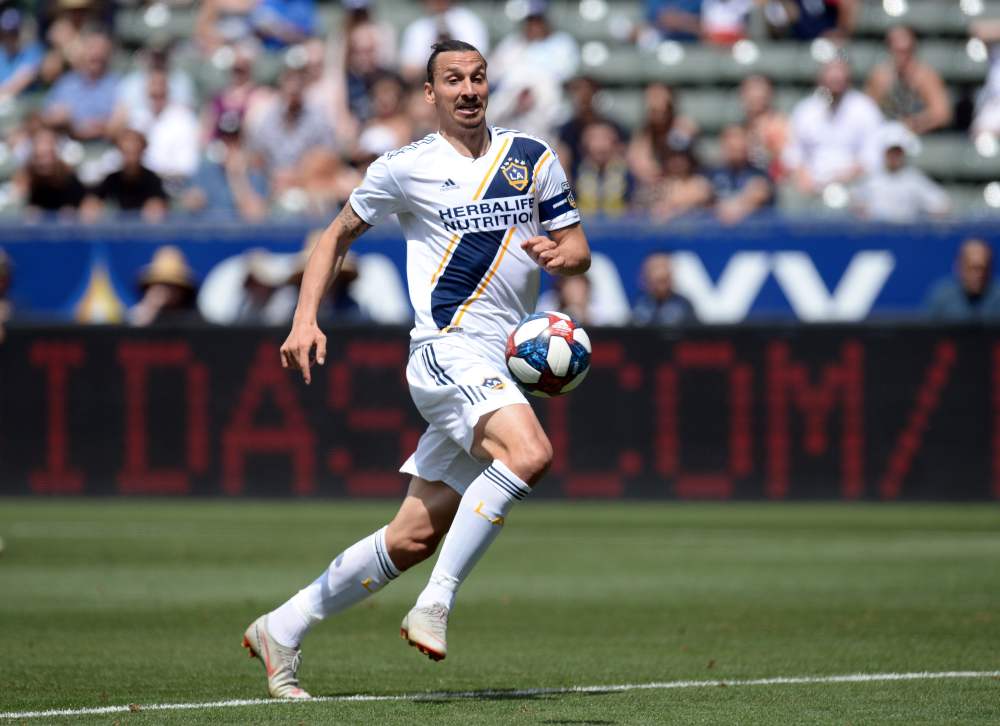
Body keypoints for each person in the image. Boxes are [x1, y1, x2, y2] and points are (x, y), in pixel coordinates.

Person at [242, 39, 589, 699]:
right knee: (530, 451)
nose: (468, 89)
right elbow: (336, 235)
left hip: (501, 366)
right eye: (452, 80)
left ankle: (281, 628)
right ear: (429, 94)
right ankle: (436, 603)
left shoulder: (532, 159)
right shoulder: (404, 168)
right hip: (445, 351)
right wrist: (304, 317)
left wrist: (562, 257)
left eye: (478, 77)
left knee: (414, 535)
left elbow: (578, 249)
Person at [783, 58, 883, 197]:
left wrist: (838, 180)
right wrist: (804, 177)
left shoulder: (866, 109)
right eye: (831, 71)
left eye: (840, 70)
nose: (836, 76)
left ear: (849, 75)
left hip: (855, 188)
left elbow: (872, 158)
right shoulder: (805, 110)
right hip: (811, 189)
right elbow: (793, 154)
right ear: (820, 76)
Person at [850, 122, 949, 224]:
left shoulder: (914, 180)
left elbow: (941, 204)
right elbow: (855, 204)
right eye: (891, 152)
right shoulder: (871, 178)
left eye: (898, 152)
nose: (894, 157)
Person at [865, 26, 952, 136]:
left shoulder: (926, 76)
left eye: (906, 51)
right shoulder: (880, 77)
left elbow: (942, 114)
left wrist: (913, 123)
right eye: (897, 50)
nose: (902, 57)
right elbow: (867, 111)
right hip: (887, 137)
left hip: (921, 137)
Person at [42, 29, 119, 141]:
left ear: (108, 54)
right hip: (69, 144)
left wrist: (106, 126)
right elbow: (48, 116)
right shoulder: (66, 83)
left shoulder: (118, 84)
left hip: (105, 144)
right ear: (83, 52)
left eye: (101, 49)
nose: (96, 54)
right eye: (91, 48)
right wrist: (64, 121)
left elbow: (119, 121)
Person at [82, 129, 168, 222]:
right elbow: (92, 203)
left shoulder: (152, 180)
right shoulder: (112, 180)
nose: (131, 157)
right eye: (126, 152)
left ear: (142, 151)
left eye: (134, 152)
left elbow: (158, 208)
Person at [398, 0, 489, 83]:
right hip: (426, 84)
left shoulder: (469, 22)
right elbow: (409, 72)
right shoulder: (417, 28)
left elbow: (478, 61)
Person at [709, 124, 774, 225]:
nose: (736, 144)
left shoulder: (759, 174)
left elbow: (760, 192)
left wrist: (732, 209)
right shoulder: (711, 173)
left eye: (740, 139)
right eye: (731, 140)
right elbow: (700, 192)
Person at [924, 239, 1000, 321]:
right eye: (972, 268)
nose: (979, 275)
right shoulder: (941, 297)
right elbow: (925, 330)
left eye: (984, 268)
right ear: (959, 267)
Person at [128, 245, 203, 326]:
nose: (165, 291)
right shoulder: (141, 316)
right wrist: (149, 307)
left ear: (183, 290)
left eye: (171, 285)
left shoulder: (194, 320)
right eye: (159, 285)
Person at [632, 252, 696, 325]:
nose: (661, 274)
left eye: (665, 267)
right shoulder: (639, 304)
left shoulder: (684, 305)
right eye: (655, 268)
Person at [0, 8, 44, 102]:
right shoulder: (1, 53)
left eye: (13, 32)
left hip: (23, 106)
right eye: (5, 33)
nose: (9, 37)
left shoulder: (33, 51)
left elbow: (18, 85)